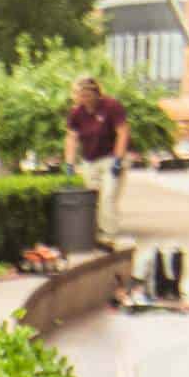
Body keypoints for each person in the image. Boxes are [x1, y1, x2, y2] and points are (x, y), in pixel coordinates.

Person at [63, 75, 130, 248]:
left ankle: (110, 236)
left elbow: (122, 132)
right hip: (90, 161)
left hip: (110, 158)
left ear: (95, 93)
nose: (83, 98)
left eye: (86, 95)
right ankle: (94, 236)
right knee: (92, 199)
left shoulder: (111, 106)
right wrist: (69, 162)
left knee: (108, 197)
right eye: (79, 95)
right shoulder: (77, 112)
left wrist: (118, 159)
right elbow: (71, 137)